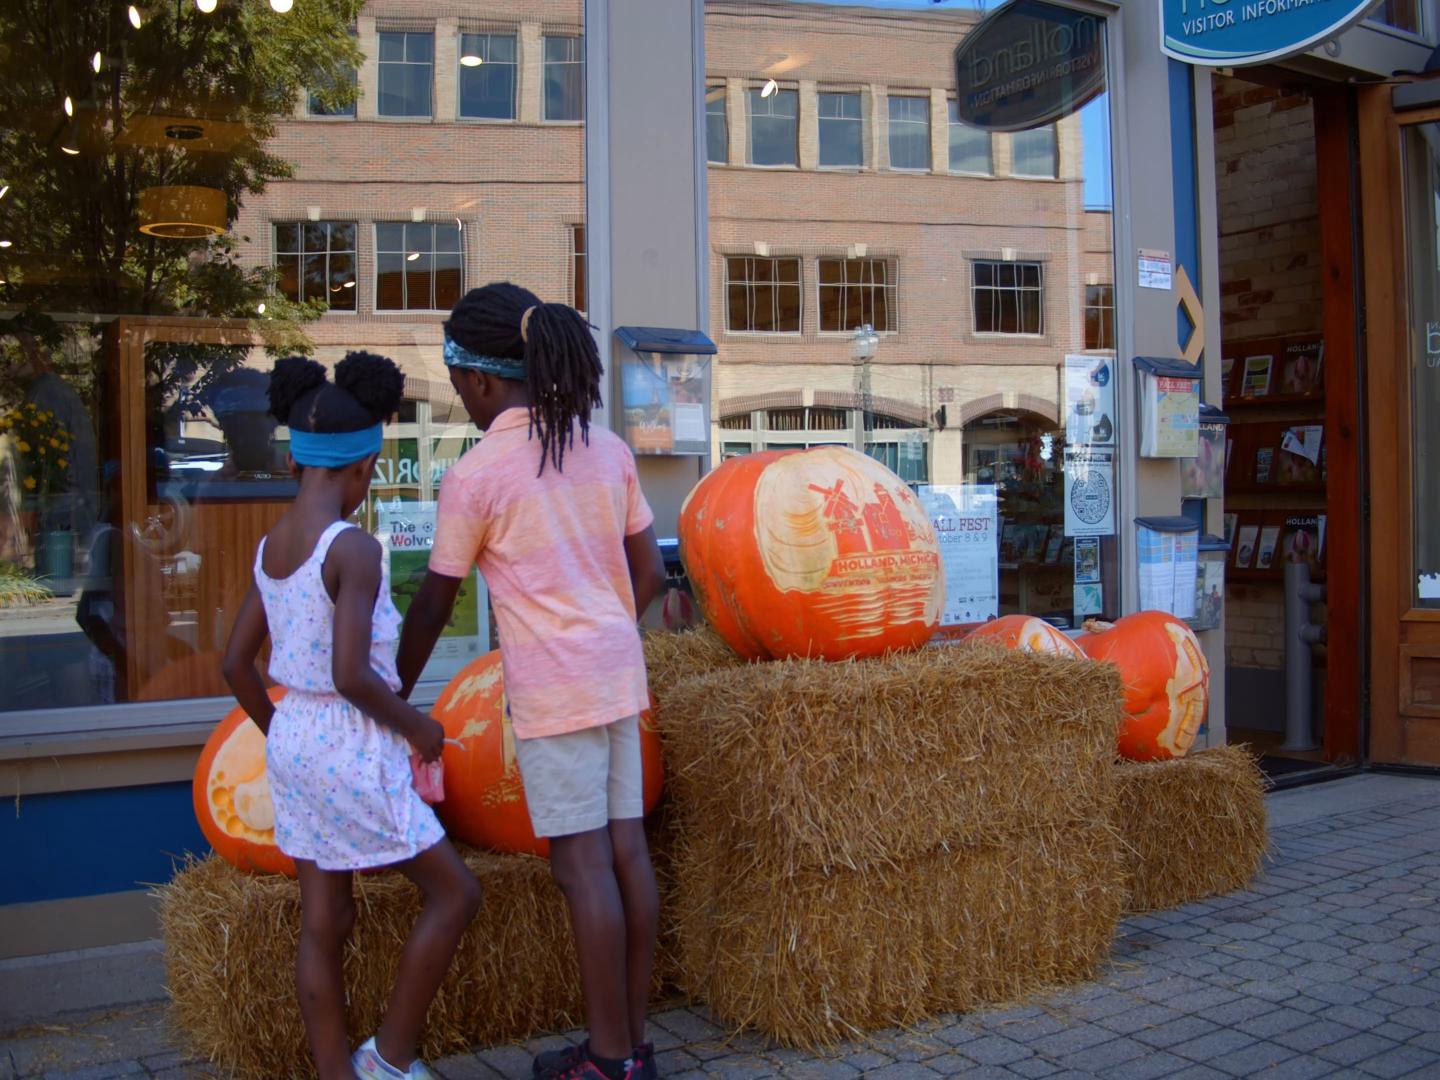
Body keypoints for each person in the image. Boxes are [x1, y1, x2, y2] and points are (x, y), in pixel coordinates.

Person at [397, 283, 667, 1080]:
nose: (463, 406)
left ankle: (608, 1062)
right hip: (619, 674)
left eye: (459, 391)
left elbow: (434, 606)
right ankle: (634, 1045)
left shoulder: (477, 476)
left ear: (481, 381)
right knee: (627, 854)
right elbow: (648, 570)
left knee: (578, 864)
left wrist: (392, 697)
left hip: (555, 690)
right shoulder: (605, 448)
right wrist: (608, 626)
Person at [221, 352, 481, 1080]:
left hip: (298, 737)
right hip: (349, 738)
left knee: (323, 923)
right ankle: (390, 1058)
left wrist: (283, 736)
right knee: (456, 893)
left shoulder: (274, 546)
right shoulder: (356, 548)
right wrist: (417, 726)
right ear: (364, 466)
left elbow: (235, 664)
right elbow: (350, 674)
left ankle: (337, 1074)